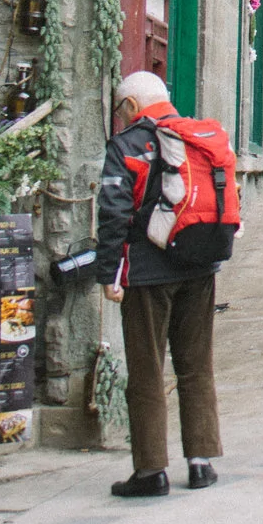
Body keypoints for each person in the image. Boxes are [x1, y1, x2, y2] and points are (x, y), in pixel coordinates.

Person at [94, 71, 222, 498]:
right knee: (196, 364)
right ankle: (201, 462)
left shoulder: (127, 145)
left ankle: (151, 470)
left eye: (121, 110)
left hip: (147, 272)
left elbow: (114, 214)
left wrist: (109, 273)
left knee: (147, 369)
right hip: (200, 266)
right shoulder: (197, 137)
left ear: (131, 105)